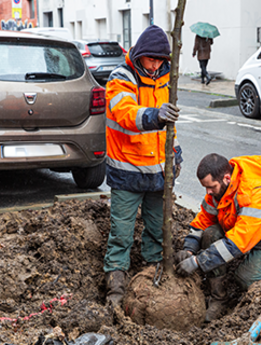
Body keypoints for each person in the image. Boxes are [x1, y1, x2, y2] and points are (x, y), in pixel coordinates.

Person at [104, 25, 183, 311]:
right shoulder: (120, 78)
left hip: (157, 175)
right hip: (126, 172)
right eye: (151, 59)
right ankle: (115, 290)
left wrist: (174, 155)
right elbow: (125, 112)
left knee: (156, 231)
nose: (156, 65)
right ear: (139, 55)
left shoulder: (165, 79)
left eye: (161, 60)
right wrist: (154, 115)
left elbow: (167, 130)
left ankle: (153, 278)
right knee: (121, 234)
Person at [175, 154, 261, 322]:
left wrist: (198, 262)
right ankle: (219, 298)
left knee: (245, 278)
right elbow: (203, 221)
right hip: (246, 232)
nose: (208, 192)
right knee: (210, 234)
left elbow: (238, 242)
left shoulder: (255, 190)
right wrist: (189, 248)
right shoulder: (218, 190)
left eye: (211, 187)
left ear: (226, 178)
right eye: (205, 188)